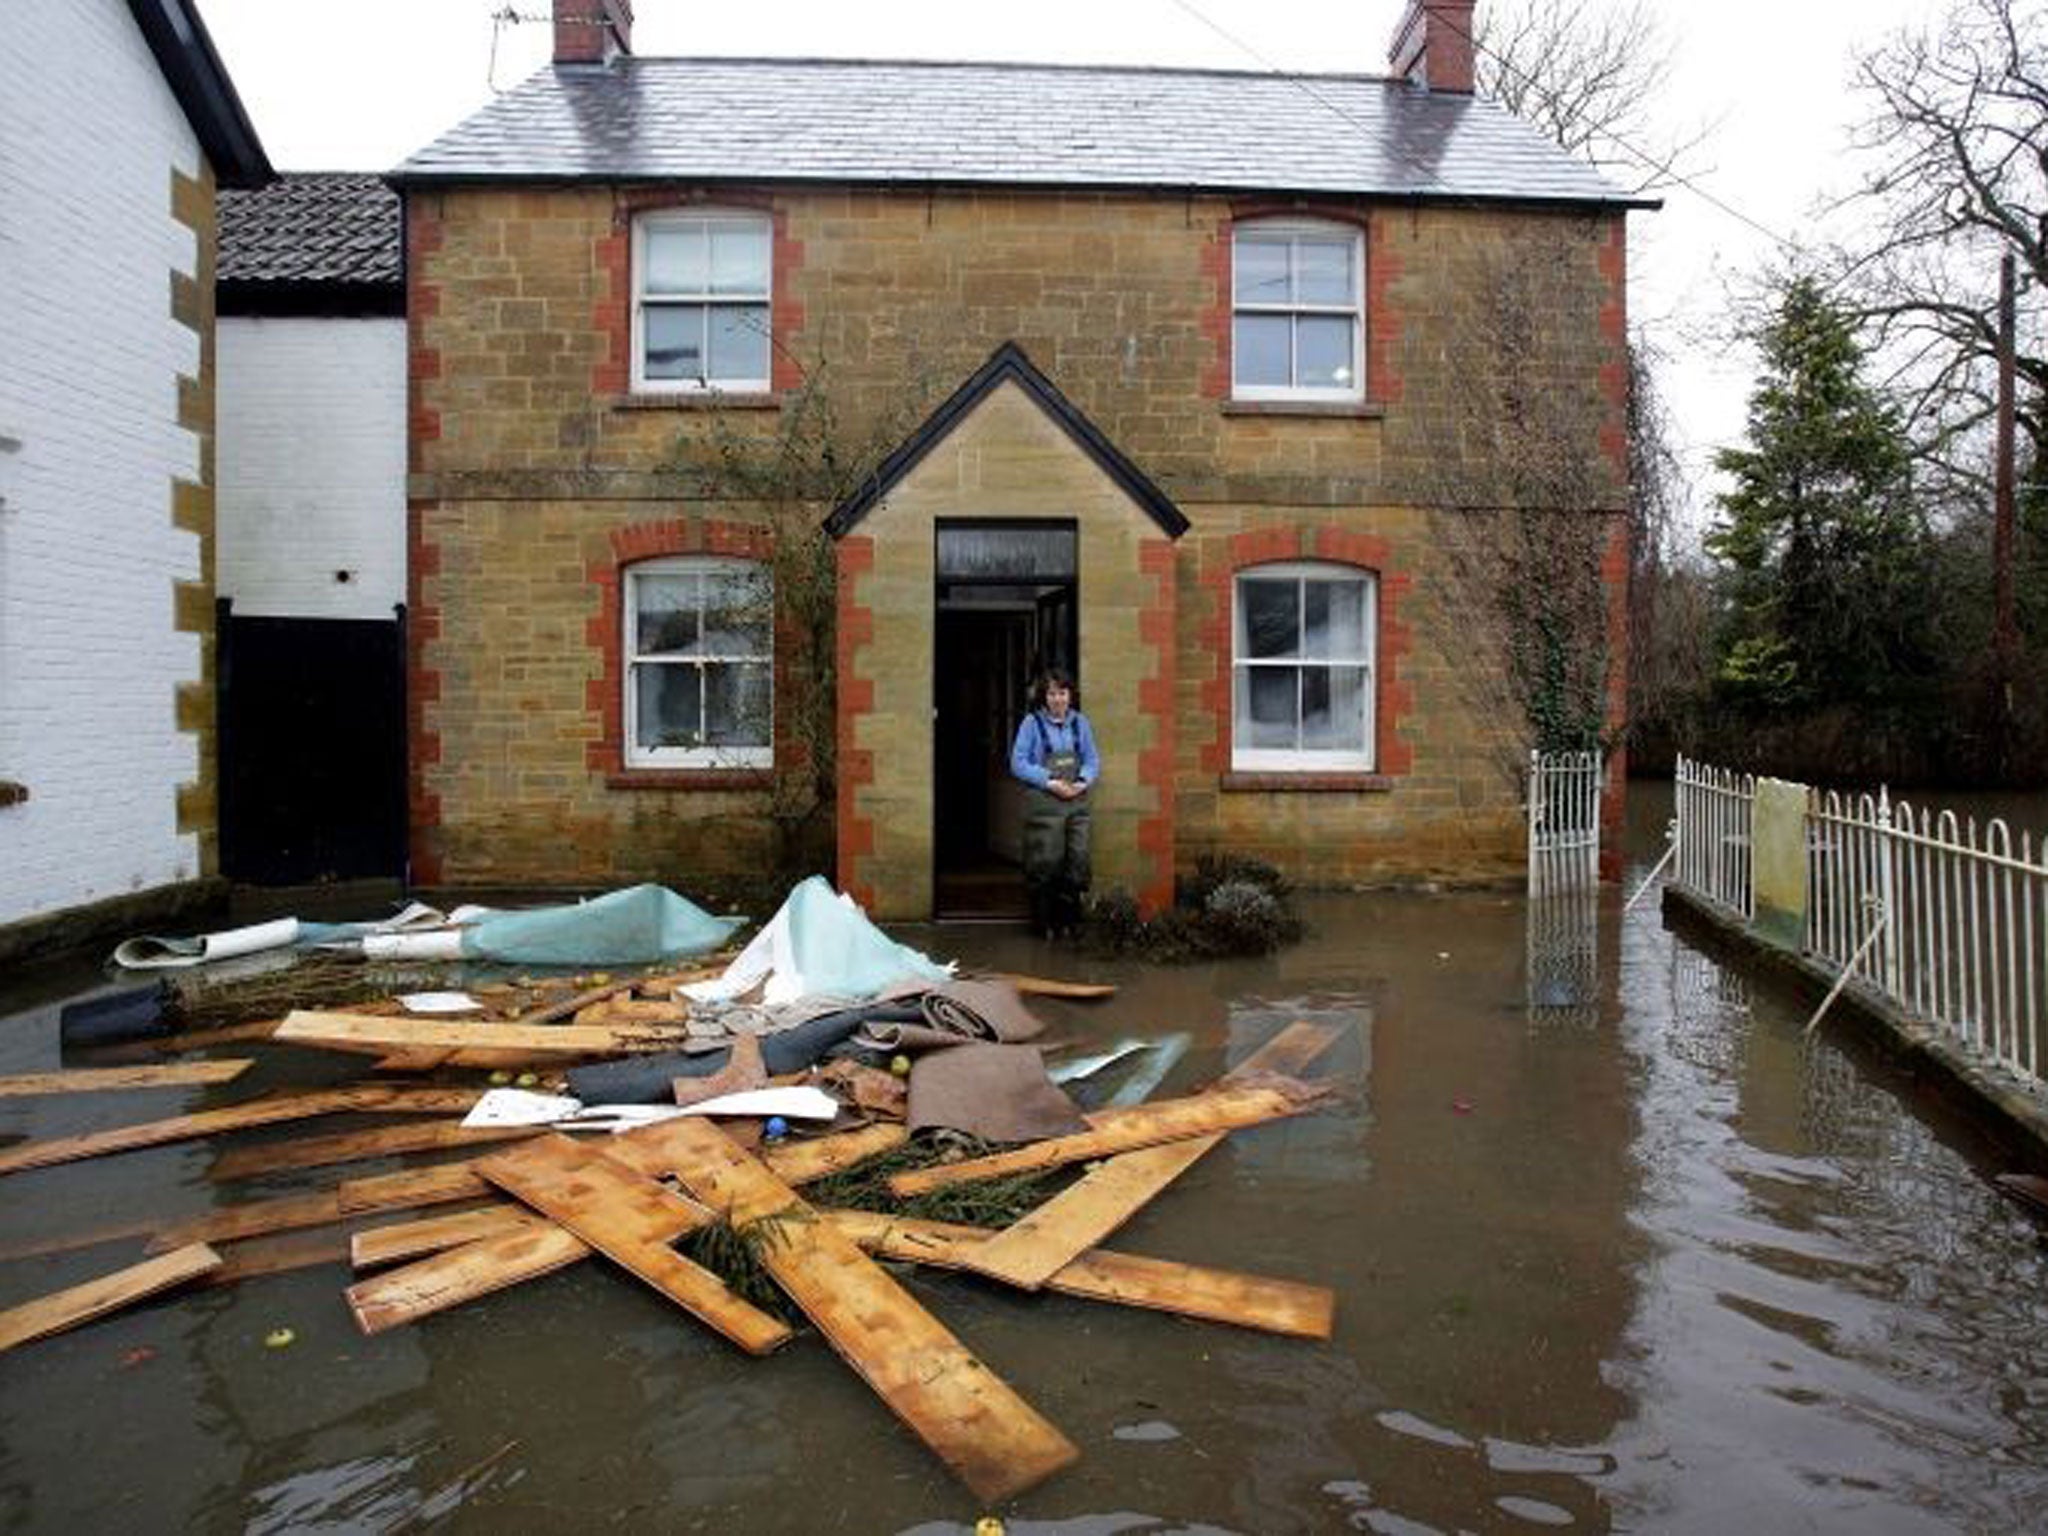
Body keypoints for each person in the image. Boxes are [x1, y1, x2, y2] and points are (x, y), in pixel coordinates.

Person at [1009, 666, 1099, 937]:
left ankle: (1070, 922)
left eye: (1062, 693)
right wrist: (1049, 781)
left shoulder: (1080, 723)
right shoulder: (1031, 724)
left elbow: (1092, 760)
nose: (1057, 699)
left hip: (1076, 800)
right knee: (1046, 860)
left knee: (1077, 859)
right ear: (1044, 697)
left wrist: (1082, 782)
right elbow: (1018, 763)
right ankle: (1043, 924)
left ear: (1070, 695)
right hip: (1044, 801)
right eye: (1051, 693)